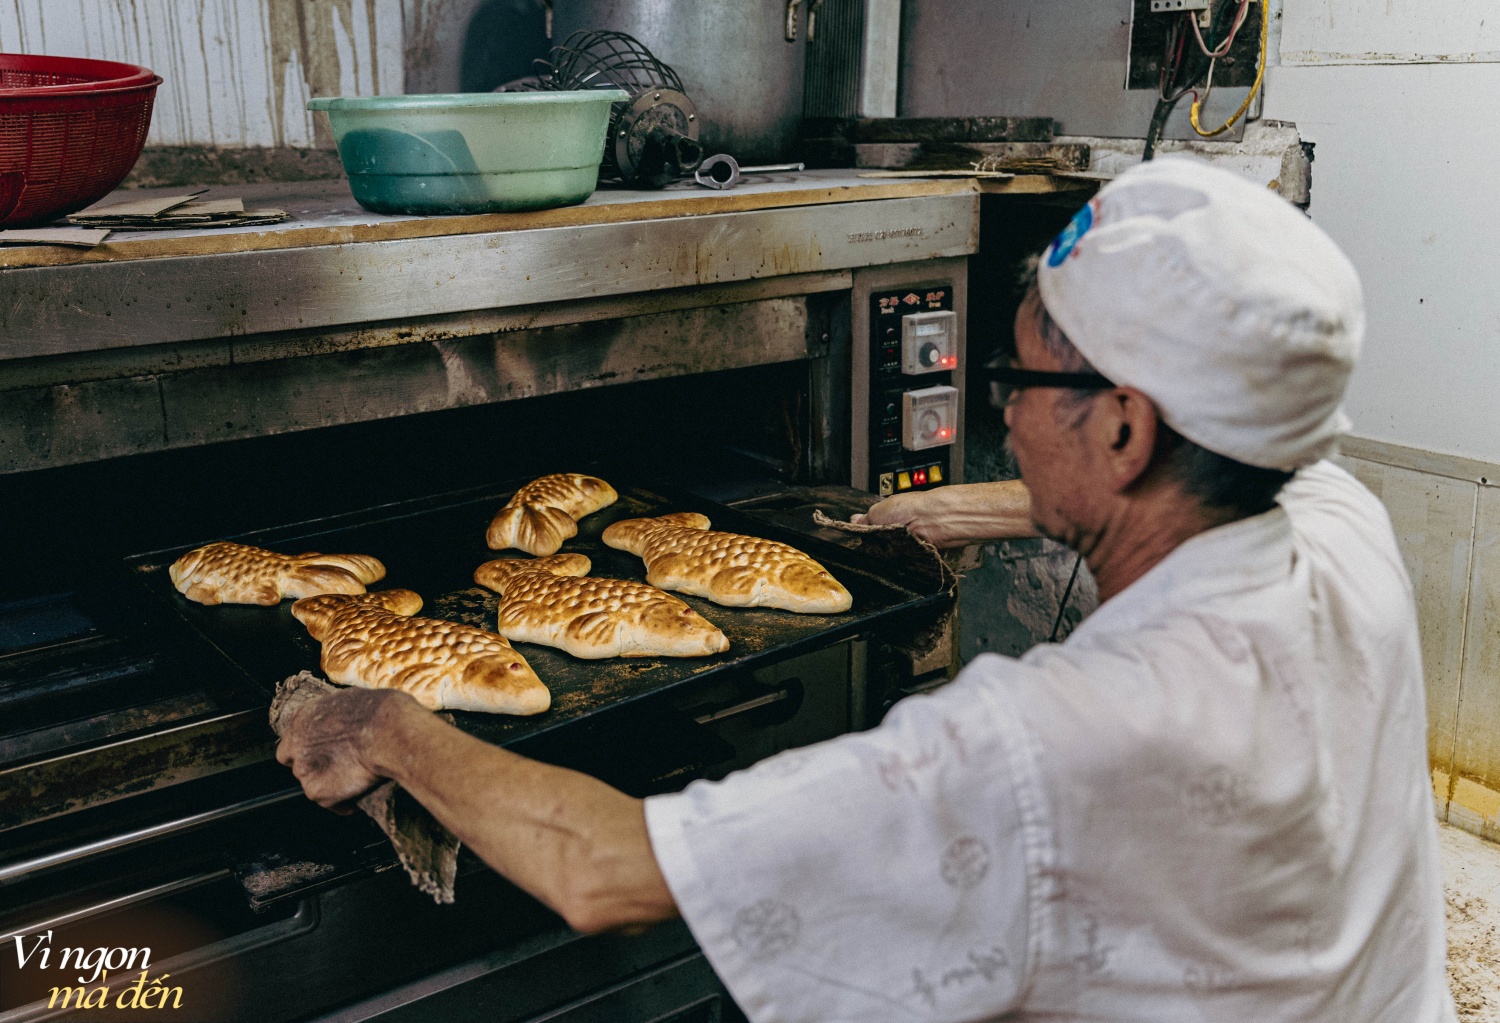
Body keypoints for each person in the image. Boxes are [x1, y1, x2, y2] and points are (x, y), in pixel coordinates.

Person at [277, 158, 1456, 1022]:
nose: (997, 407)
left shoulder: (1048, 741)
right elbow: (1288, 469)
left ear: (1127, 427)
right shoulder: (1342, 530)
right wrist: (959, 509)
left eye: (1021, 375)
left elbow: (603, 868)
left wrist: (380, 720)